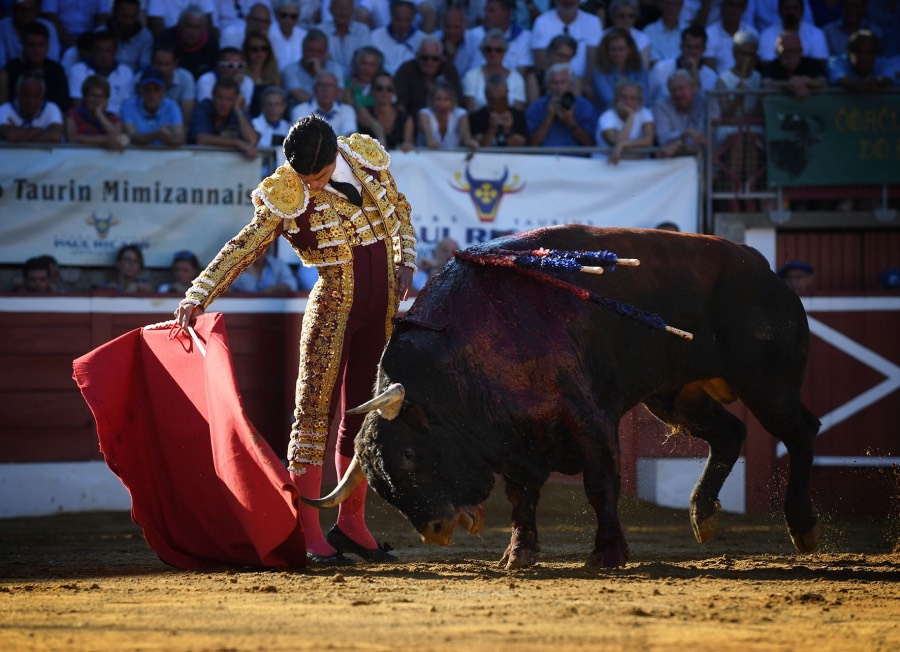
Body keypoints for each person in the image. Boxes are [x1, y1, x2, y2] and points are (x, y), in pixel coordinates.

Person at [175, 114, 416, 565]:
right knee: (312, 420)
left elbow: (399, 208)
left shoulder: (363, 157)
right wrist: (199, 293)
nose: (312, 185)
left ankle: (352, 525)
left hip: (381, 311)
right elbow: (246, 244)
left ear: (335, 154)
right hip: (331, 312)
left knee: (364, 416)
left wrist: (407, 260)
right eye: (306, 178)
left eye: (319, 176)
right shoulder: (286, 190)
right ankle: (307, 532)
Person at [715, 30, 763, 210]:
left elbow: (760, 111)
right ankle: (734, 191)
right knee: (739, 141)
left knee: (750, 141)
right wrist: (737, 96)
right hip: (730, 126)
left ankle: (749, 189)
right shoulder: (723, 79)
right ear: (735, 53)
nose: (747, 59)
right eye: (743, 53)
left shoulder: (759, 78)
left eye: (751, 54)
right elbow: (726, 114)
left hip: (753, 126)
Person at [0, 21, 71, 111]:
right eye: (31, 45)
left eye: (40, 45)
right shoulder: (10, 70)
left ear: (47, 46)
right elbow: (3, 108)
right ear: (23, 45)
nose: (35, 50)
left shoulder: (57, 71)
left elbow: (63, 107)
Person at [525, 62, 596, 147]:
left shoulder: (584, 106)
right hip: (544, 155)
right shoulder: (536, 108)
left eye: (562, 82)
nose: (559, 87)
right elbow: (532, 145)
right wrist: (548, 118)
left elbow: (590, 143)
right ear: (548, 85)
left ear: (571, 84)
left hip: (575, 155)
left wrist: (570, 122)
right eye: (555, 83)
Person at [530, 0, 603, 80]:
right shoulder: (542, 21)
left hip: (583, 82)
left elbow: (594, 59)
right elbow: (540, 60)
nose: (568, 1)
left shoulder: (593, 22)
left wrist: (586, 83)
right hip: (552, 81)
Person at [187, 78, 259, 158]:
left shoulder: (239, 111)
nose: (224, 104)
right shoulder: (204, 107)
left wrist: (238, 111)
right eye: (220, 98)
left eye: (229, 99)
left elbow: (252, 140)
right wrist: (237, 143)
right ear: (213, 96)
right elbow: (201, 139)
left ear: (235, 100)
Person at [394, 36, 464, 118]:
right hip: (414, 120)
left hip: (445, 121)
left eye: (435, 58)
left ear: (441, 58)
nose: (429, 62)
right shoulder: (406, 70)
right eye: (425, 58)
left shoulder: (449, 70)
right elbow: (400, 105)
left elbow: (457, 102)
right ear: (418, 56)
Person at [67, 30, 134, 115]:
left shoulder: (126, 72)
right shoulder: (78, 70)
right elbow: (77, 106)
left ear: (115, 52)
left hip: (118, 121)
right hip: (88, 119)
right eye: (99, 50)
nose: (104, 55)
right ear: (92, 51)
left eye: (108, 50)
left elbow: (129, 107)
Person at [648, 24, 718, 105]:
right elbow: (647, 98)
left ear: (704, 50)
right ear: (681, 46)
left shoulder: (711, 77)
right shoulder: (660, 69)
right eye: (689, 47)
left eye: (697, 48)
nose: (692, 52)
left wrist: (695, 73)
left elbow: (705, 106)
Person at [653, 68, 715, 157]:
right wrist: (686, 132)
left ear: (693, 88)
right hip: (674, 160)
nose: (677, 94)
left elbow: (703, 138)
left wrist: (679, 143)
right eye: (673, 90)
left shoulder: (706, 101)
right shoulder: (662, 105)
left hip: (706, 157)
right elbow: (663, 139)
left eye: (681, 88)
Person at [462, 29, 526, 112]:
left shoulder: (517, 79)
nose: (493, 53)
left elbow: (518, 112)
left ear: (505, 51)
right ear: (483, 51)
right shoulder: (471, 76)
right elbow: (470, 110)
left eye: (498, 50)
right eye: (489, 49)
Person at [119, 67, 186, 146]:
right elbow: (131, 136)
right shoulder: (129, 106)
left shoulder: (172, 106)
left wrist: (169, 138)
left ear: (163, 91)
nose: (152, 95)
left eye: (157, 90)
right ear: (141, 90)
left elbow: (180, 138)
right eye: (148, 90)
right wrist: (156, 135)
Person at [467, 0, 534, 76]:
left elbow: (522, 72)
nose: (486, 15)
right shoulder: (472, 35)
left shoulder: (525, 37)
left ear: (506, 13)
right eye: (486, 10)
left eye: (492, 11)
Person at [590, 27, 649, 114]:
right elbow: (609, 100)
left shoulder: (639, 69)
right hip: (609, 116)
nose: (617, 54)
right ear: (606, 51)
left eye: (621, 49)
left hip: (637, 114)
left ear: (629, 50)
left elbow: (644, 98)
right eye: (613, 49)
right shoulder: (599, 72)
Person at [595, 79, 655, 164]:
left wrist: (623, 144)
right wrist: (630, 117)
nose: (628, 102)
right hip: (606, 164)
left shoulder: (645, 113)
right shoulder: (606, 117)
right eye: (624, 97)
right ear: (616, 99)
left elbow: (648, 140)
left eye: (633, 98)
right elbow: (616, 142)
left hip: (638, 164)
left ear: (639, 101)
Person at [282, 28, 344, 107]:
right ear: (303, 50)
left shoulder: (335, 68)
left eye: (320, 52)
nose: (315, 55)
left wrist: (319, 72)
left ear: (326, 53)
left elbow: (339, 96)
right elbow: (301, 99)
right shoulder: (290, 70)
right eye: (311, 50)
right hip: (302, 112)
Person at [155, 5, 220, 79]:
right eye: (189, 26)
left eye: (197, 27)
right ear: (180, 25)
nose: (192, 32)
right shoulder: (166, 39)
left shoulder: (211, 43)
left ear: (203, 28)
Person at [64, 74, 129, 150]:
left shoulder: (113, 118)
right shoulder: (73, 115)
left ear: (107, 99)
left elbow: (118, 141)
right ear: (85, 97)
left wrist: (99, 114)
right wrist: (105, 140)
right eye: (93, 95)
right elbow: (72, 140)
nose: (96, 100)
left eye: (101, 96)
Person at [356, 70, 415, 151]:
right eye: (379, 88)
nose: (384, 92)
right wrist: (380, 135)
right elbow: (375, 126)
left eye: (389, 89)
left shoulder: (405, 118)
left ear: (394, 92)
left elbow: (408, 143)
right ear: (372, 91)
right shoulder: (363, 111)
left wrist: (406, 146)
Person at [0, 71, 64, 143]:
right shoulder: (4, 110)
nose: (31, 101)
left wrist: (19, 133)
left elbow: (55, 136)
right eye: (27, 96)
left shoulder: (51, 108)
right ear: (18, 94)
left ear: (42, 97)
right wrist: (44, 130)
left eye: (35, 96)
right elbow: (11, 135)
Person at [468, 72, 529, 146]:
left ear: (507, 93)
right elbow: (481, 147)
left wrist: (508, 130)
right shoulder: (475, 118)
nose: (496, 103)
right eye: (492, 99)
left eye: (501, 99)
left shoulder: (518, 116)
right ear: (486, 95)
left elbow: (522, 146)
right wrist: (492, 129)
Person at [291, 69, 358, 136]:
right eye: (321, 85)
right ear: (314, 89)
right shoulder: (299, 110)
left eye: (330, 85)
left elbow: (350, 135)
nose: (325, 89)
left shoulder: (348, 110)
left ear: (336, 91)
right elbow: (302, 137)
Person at [761, 31, 827, 97]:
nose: (790, 55)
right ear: (778, 52)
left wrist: (806, 81)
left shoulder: (813, 64)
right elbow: (766, 83)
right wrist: (789, 84)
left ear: (800, 50)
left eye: (793, 50)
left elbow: (823, 82)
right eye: (785, 51)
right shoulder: (773, 66)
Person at [758, 0, 828, 62]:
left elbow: (821, 62)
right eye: (786, 8)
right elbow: (766, 63)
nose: (791, 12)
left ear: (802, 11)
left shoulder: (816, 34)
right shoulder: (767, 35)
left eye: (795, 8)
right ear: (779, 11)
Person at [319, 0, 373, 80]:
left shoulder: (362, 31)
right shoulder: (320, 30)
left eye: (347, 8)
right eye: (338, 7)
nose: (343, 12)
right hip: (328, 80)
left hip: (356, 81)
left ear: (353, 10)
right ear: (330, 10)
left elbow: (365, 59)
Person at [417, 79, 478, 149]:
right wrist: (431, 141)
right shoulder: (424, 114)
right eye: (437, 99)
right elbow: (429, 137)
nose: (442, 104)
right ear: (432, 100)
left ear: (452, 100)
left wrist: (469, 142)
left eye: (446, 99)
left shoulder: (461, 114)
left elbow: (465, 135)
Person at [143, 42, 195, 124]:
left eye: (167, 64)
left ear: (175, 63)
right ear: (152, 62)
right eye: (158, 64)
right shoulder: (140, 79)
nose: (162, 69)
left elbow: (186, 117)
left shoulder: (185, 78)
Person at [0, 0, 61, 69]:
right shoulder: (2, 27)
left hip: (44, 72)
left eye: (30, 10)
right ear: (14, 9)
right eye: (22, 10)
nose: (27, 14)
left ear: (37, 10)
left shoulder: (48, 27)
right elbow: (1, 62)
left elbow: (53, 58)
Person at [827, 29, 893, 92]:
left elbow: (888, 78)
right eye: (860, 53)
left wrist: (874, 83)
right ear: (849, 52)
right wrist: (858, 85)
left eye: (869, 53)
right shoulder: (836, 62)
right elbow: (839, 78)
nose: (864, 58)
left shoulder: (883, 63)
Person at [370, 0, 425, 76]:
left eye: (407, 20)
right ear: (391, 16)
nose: (402, 24)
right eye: (398, 19)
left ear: (413, 18)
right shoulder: (375, 37)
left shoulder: (423, 40)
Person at [704, 0, 757, 74]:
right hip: (716, 80)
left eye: (738, 6)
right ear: (722, 6)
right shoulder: (709, 33)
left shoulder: (751, 33)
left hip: (744, 79)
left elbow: (752, 65)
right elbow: (710, 69)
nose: (734, 10)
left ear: (744, 8)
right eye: (730, 4)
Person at [524, 32, 579, 102]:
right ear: (549, 53)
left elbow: (577, 104)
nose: (563, 60)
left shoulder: (575, 78)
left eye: (567, 57)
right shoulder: (535, 77)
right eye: (560, 55)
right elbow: (534, 106)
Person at [103, 0, 154, 72]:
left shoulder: (145, 36)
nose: (128, 21)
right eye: (125, 16)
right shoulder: (101, 32)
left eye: (132, 17)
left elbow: (144, 68)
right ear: (114, 12)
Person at [252, 85, 291, 172]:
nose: (273, 109)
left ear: (283, 107)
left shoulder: (288, 127)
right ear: (262, 107)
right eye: (269, 104)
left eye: (277, 104)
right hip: (256, 172)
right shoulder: (253, 125)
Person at [242, 31, 282, 115]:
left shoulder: (275, 75)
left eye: (264, 49)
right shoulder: (241, 75)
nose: (259, 53)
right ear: (246, 51)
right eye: (254, 49)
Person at [436, 5, 480, 79]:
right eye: (448, 27)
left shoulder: (475, 43)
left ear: (464, 26)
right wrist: (450, 59)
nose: (452, 31)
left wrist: (452, 57)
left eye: (455, 27)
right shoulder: (434, 40)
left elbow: (473, 75)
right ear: (443, 26)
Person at [605, 0, 652, 69]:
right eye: (622, 16)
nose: (626, 19)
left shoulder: (642, 39)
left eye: (631, 16)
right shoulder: (602, 36)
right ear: (613, 17)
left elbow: (643, 68)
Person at [643, 0, 686, 65]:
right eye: (668, 4)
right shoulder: (649, 31)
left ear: (681, 5)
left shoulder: (689, 30)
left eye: (675, 4)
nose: (672, 8)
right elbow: (652, 62)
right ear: (660, 5)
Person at [341, 45, 383, 109]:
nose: (367, 68)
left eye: (372, 65)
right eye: (364, 63)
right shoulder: (347, 84)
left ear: (377, 68)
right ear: (356, 64)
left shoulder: (382, 86)